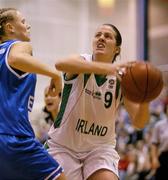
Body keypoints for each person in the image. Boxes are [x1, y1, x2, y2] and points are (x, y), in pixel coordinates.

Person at [47, 23, 150, 180]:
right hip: (63, 147)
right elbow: (60, 64)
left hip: (99, 149)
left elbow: (139, 122)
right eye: (98, 35)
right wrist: (110, 69)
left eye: (108, 36)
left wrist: (144, 99)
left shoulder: (124, 79)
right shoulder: (81, 61)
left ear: (117, 49)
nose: (101, 38)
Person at [0, 8, 66, 180]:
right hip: (14, 137)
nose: (27, 25)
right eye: (22, 22)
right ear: (10, 28)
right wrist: (55, 74)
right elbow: (15, 58)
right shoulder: (19, 45)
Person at [151, 97, 168, 180]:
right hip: (163, 157)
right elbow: (154, 144)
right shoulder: (159, 125)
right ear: (166, 109)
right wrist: (154, 158)